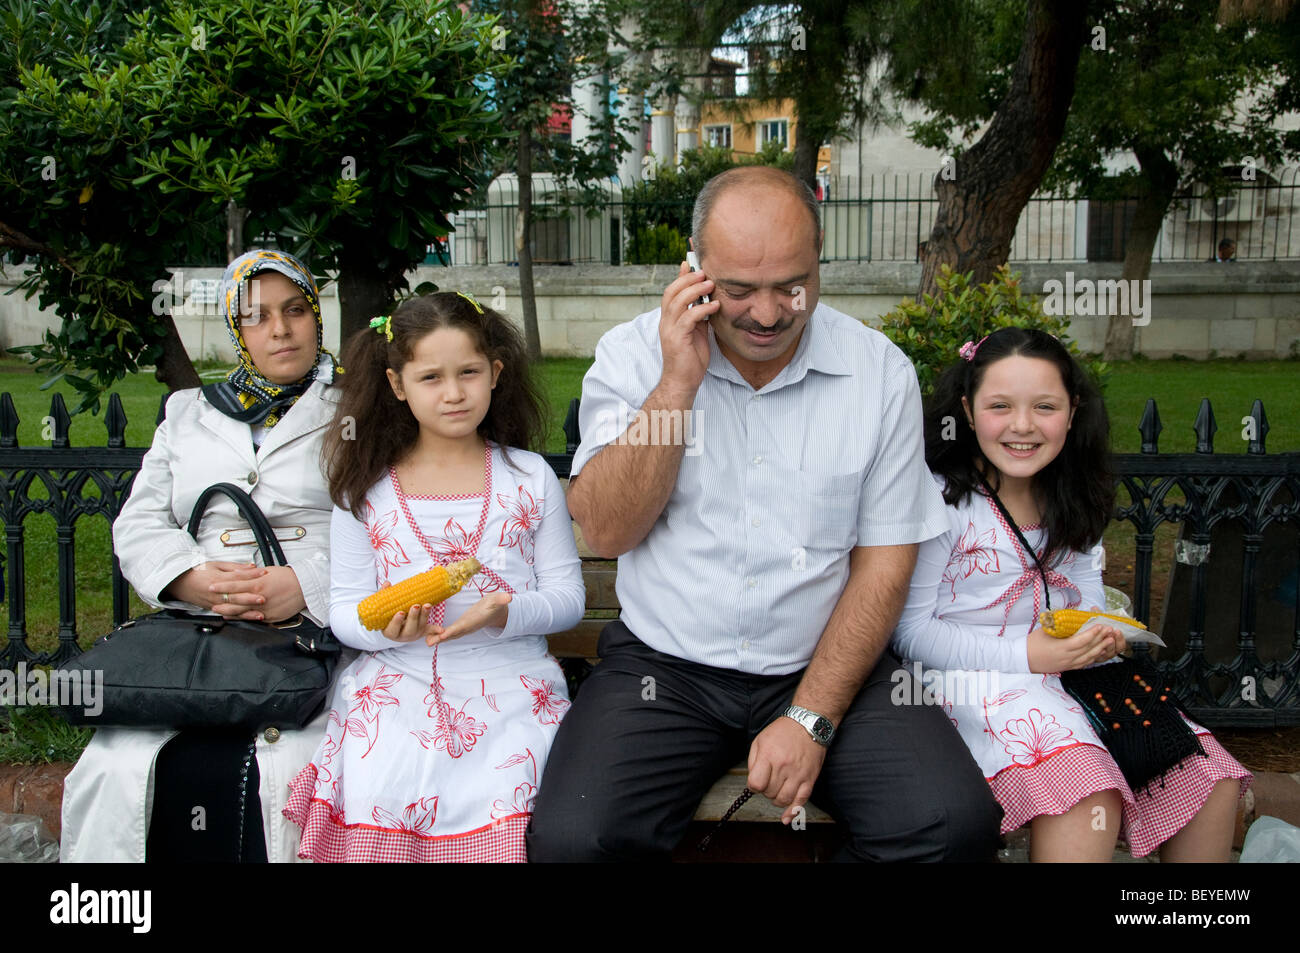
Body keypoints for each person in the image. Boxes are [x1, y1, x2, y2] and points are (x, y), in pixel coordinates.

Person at [527, 166, 1002, 862]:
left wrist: (810, 718)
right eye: (740, 290)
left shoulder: (878, 373)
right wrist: (677, 384)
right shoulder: (633, 358)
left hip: (830, 661)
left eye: (792, 284)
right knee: (575, 842)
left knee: (951, 826)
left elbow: (885, 562)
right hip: (667, 667)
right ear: (692, 271)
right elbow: (604, 529)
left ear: (820, 265)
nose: (769, 313)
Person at [891, 326, 1251, 861]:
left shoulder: (1073, 496)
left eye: (1044, 407)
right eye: (999, 406)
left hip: (1069, 675)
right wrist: (1029, 655)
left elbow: (1085, 601)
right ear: (966, 412)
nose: (1022, 426)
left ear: (1073, 410)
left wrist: (1102, 632)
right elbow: (909, 632)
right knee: (1085, 791)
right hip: (965, 681)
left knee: (1210, 782)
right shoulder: (942, 500)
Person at [60, 249, 345, 862]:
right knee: (121, 768)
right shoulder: (186, 414)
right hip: (203, 627)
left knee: (299, 762)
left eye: (294, 310)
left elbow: (390, 522)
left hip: (317, 628)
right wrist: (188, 578)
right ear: (236, 330)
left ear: (315, 315)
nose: (280, 328)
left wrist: (307, 585)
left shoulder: (359, 410)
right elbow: (139, 521)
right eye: (257, 316)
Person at [283, 292, 584, 862]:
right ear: (398, 385)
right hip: (398, 681)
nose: (453, 393)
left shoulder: (530, 476)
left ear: (494, 373)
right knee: (384, 774)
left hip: (511, 684)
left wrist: (508, 611)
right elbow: (346, 610)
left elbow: (567, 598)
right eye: (431, 378)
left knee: (509, 781)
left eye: (468, 372)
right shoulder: (365, 490)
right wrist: (384, 630)